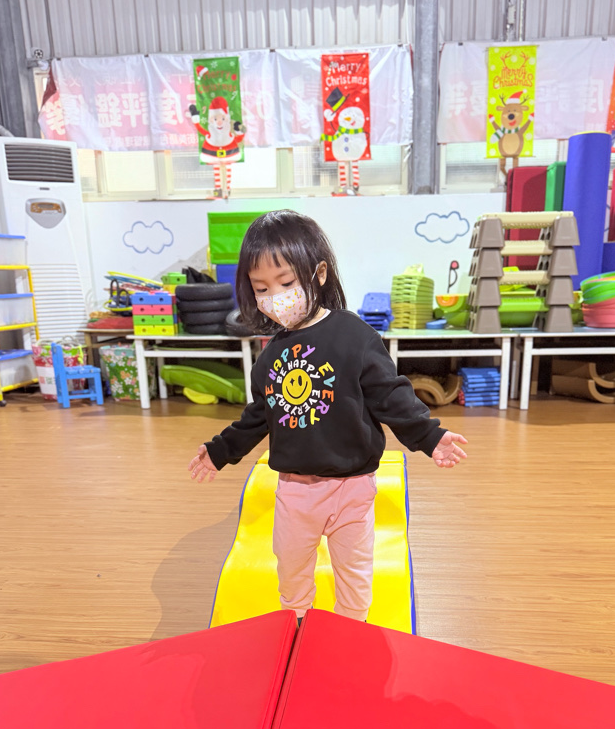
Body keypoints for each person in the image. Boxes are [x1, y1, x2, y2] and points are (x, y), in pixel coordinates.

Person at [188, 210, 467, 624]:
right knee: (291, 572)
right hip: (295, 491)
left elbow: (390, 394)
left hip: (352, 487)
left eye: (285, 283)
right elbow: (257, 416)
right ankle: (298, 626)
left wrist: (429, 435)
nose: (274, 296)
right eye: (261, 288)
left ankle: (349, 631)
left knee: (354, 575)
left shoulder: (354, 336)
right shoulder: (269, 358)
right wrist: (219, 451)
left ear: (318, 274)